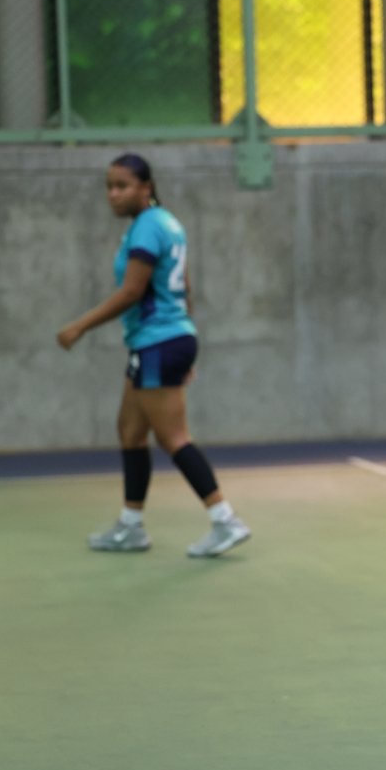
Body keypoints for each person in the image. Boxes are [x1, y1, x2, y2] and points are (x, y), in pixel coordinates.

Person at [57, 153, 251, 558]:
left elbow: (132, 291)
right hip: (163, 341)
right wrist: (186, 346)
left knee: (173, 437)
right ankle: (131, 527)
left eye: (122, 186)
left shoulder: (148, 227)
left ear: (145, 188)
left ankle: (225, 520)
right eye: (109, 186)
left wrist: (79, 326)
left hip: (158, 342)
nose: (113, 194)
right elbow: (186, 288)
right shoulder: (167, 223)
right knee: (130, 430)